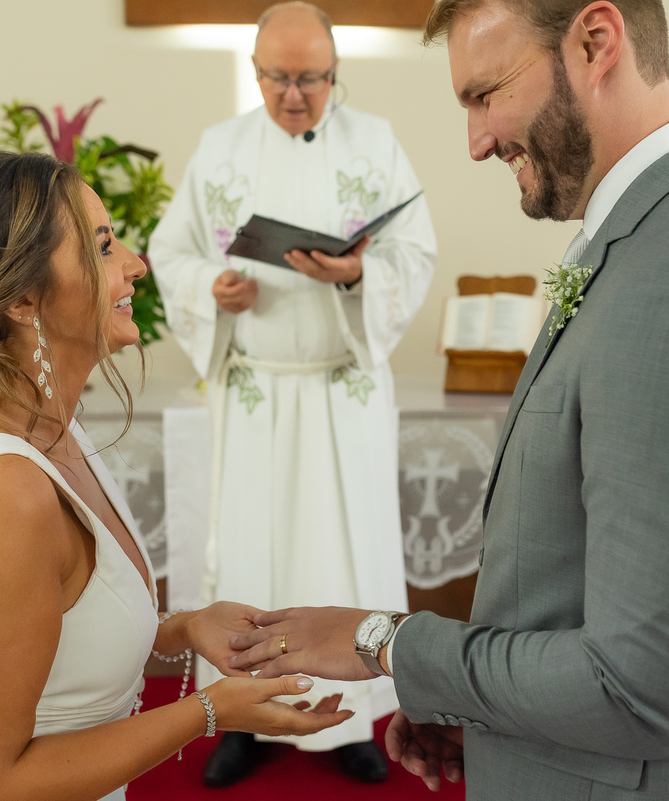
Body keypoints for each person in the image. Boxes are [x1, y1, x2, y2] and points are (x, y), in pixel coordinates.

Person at [228, 1, 669, 798]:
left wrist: (387, 640)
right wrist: (487, 707)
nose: (476, 140)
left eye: (486, 94)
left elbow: (640, 688)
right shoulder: (659, 233)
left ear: (595, 42)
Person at [0, 151, 353, 801]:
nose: (135, 262)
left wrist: (183, 628)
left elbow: (52, 641)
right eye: (102, 247)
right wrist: (210, 710)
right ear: (22, 298)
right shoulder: (3, 495)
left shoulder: (52, 433)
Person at [147, 0, 437, 787]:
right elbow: (167, 254)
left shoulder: (374, 143)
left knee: (344, 560)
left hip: (340, 393)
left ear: (336, 74)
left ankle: (352, 721)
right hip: (256, 398)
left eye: (311, 79)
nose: (294, 95)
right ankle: (246, 716)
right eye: (278, 78)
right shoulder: (220, 149)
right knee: (253, 556)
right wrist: (214, 286)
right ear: (256, 73)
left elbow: (416, 250)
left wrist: (359, 275)